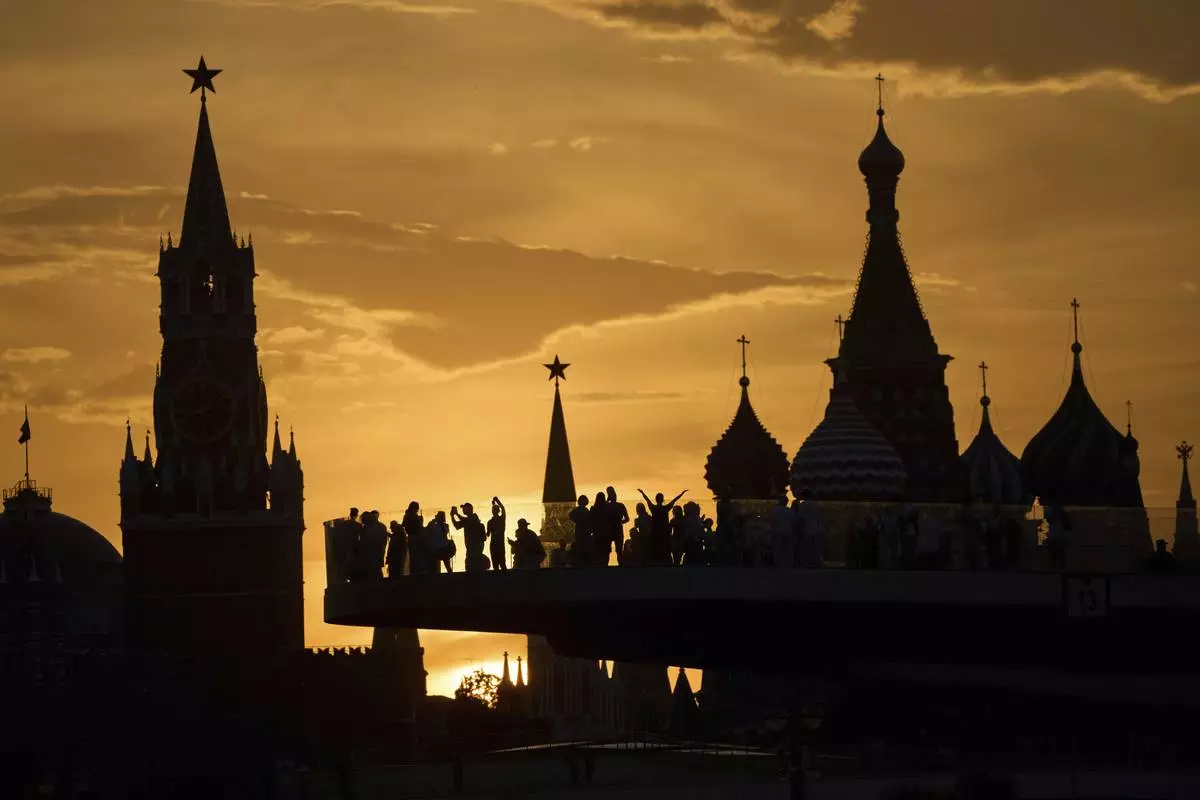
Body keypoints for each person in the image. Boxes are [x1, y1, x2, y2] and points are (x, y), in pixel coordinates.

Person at [638, 489, 687, 566]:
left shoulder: (653, 508)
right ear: (662, 499)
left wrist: (642, 493)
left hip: (655, 533)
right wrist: (681, 494)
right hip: (664, 533)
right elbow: (674, 500)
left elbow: (647, 500)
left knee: (655, 550)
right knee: (665, 551)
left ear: (656, 499)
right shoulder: (665, 508)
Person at [792, 489, 825, 568]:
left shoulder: (802, 505)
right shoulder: (816, 505)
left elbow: (801, 518)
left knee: (805, 547)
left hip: (806, 528)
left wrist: (799, 529)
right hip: (816, 527)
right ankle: (816, 562)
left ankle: (806, 563)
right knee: (815, 547)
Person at [452, 503, 489, 572]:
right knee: (470, 566)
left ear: (469, 509)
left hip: (476, 547)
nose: (463, 510)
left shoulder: (474, 518)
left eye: (464, 508)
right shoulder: (466, 520)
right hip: (470, 548)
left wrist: (456, 514)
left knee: (475, 566)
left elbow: (467, 520)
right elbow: (457, 526)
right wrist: (452, 516)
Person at [360, 510, 389, 579]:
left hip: (372, 553)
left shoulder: (368, 528)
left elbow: (365, 541)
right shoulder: (380, 526)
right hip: (376, 553)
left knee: (374, 571)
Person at [606, 487, 630, 565]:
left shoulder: (607, 506)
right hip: (617, 529)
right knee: (618, 551)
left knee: (609, 551)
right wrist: (620, 522)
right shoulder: (620, 506)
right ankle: (621, 566)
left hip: (610, 530)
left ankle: (609, 566)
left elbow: (627, 519)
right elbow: (627, 519)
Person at [769, 496, 795, 568]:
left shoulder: (775, 510)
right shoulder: (789, 510)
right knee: (788, 548)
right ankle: (788, 563)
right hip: (788, 530)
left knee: (777, 548)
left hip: (777, 531)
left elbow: (771, 520)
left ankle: (777, 563)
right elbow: (794, 520)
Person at [569, 495, 593, 567]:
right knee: (582, 547)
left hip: (583, 531)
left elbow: (571, 515)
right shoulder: (580, 510)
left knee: (583, 547)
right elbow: (571, 515)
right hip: (582, 531)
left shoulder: (584, 510)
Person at [402, 501, 426, 574]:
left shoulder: (408, 515)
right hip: (414, 536)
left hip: (412, 536)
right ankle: (415, 572)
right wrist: (420, 520)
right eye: (417, 507)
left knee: (414, 555)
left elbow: (404, 524)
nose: (418, 509)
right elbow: (419, 527)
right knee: (415, 555)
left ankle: (414, 571)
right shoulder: (411, 515)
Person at [682, 502, 706, 566]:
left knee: (691, 557)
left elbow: (690, 530)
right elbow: (701, 530)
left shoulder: (691, 518)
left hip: (693, 540)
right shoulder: (696, 518)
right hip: (695, 540)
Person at [488, 497, 508, 571]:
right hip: (494, 546)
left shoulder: (501, 519)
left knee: (502, 565)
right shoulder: (490, 522)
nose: (494, 511)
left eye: (495, 510)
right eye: (494, 509)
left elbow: (503, 508)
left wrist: (497, 501)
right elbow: (487, 534)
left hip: (499, 546)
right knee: (496, 566)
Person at [591, 492, 611, 564]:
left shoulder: (593, 509)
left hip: (597, 533)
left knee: (598, 551)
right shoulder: (607, 509)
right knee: (605, 552)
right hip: (606, 534)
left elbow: (591, 521)